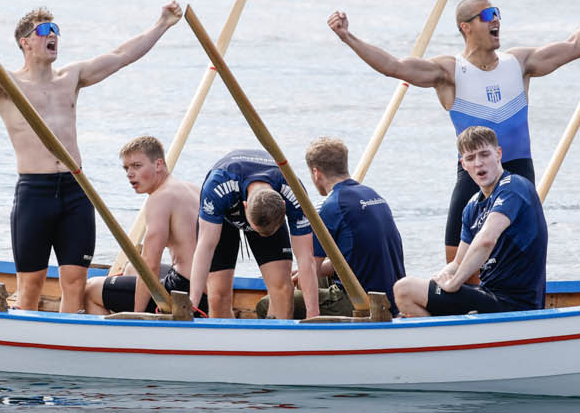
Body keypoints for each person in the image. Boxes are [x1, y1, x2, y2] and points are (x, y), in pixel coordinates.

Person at [327, 0, 580, 262]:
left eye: (497, 13)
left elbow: (576, 46)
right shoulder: (449, 71)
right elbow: (393, 66)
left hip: (518, 171)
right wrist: (348, 37)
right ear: (466, 27)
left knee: (522, 255)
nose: (495, 20)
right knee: (455, 256)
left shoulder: (519, 63)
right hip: (472, 174)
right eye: (487, 15)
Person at [0, 1, 183, 313]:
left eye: (55, 29)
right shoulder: (6, 83)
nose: (53, 35)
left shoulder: (71, 77)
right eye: (44, 30)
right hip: (35, 193)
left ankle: (68, 338)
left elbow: (121, 55)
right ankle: (25, 338)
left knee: (75, 282)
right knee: (31, 284)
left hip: (76, 191)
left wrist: (162, 24)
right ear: (25, 42)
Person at [394, 126, 547, 317]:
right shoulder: (472, 206)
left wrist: (454, 283)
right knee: (408, 294)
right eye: (470, 158)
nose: (478, 163)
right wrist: (437, 280)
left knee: (404, 289)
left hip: (516, 303)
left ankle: (438, 334)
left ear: (498, 154)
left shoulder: (514, 187)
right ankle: (443, 333)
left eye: (484, 155)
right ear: (463, 164)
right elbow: (458, 262)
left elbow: (486, 240)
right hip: (489, 295)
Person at [188, 149, 320, 319]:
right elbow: (205, 248)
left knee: (282, 289)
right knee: (218, 295)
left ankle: (276, 334)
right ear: (245, 205)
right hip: (224, 215)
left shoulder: (294, 192)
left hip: (269, 211)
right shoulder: (217, 185)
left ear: (284, 205)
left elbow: (306, 259)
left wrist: (313, 314)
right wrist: (192, 302)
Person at [84, 136, 206, 315]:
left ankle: (124, 333)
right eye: (126, 168)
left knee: (90, 288)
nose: (130, 174)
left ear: (158, 165)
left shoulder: (159, 198)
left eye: (137, 166)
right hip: (206, 287)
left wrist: (137, 315)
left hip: (184, 293)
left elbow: (150, 265)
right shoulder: (193, 189)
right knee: (130, 268)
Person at [304, 136, 406, 315]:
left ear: (316, 173)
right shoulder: (372, 194)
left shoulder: (332, 206)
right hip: (394, 296)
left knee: (267, 303)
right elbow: (354, 257)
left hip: (362, 302)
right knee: (315, 278)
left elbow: (312, 267)